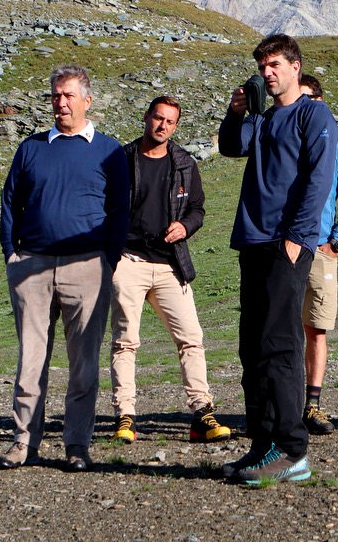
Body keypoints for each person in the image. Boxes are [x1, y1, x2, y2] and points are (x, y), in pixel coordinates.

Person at [218, 34, 338, 486]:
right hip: (253, 241)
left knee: (280, 344)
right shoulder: (265, 119)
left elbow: (319, 178)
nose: (267, 73)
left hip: (286, 242)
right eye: (262, 66)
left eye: (274, 65)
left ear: (294, 66)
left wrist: (298, 237)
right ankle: (262, 443)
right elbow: (232, 145)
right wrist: (236, 112)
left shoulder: (314, 114)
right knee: (253, 346)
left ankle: (292, 449)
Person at [0, 65, 129, 471]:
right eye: (55, 95)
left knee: (84, 362)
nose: (60, 103)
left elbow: (120, 209)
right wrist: (11, 253)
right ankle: (24, 441)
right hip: (32, 266)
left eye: (68, 95)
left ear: (87, 101)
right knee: (31, 359)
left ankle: (77, 444)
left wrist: (108, 259)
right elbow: (9, 202)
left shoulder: (109, 150)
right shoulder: (31, 148)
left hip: (88, 267)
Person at [110, 95, 231, 444]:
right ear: (146, 117)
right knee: (125, 342)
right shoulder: (122, 159)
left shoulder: (183, 163)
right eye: (158, 118)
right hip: (128, 261)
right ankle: (125, 417)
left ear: (176, 126)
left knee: (191, 339)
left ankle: (202, 413)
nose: (162, 126)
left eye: (170, 122)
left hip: (168, 264)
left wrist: (186, 227)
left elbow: (197, 208)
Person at [296, 73, 338, 436]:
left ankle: (312, 405)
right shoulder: (288, 140)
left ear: (319, 102)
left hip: (320, 248)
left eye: (310, 101)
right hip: (286, 247)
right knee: (284, 328)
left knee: (316, 329)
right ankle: (284, 405)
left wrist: (337, 241)